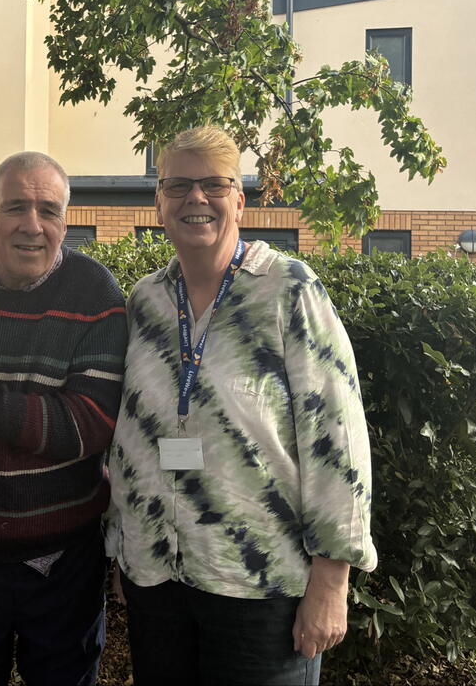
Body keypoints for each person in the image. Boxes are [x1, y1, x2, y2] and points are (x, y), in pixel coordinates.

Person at [106, 126, 377, 686]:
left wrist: (332, 579)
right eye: (178, 185)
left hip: (260, 586)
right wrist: (124, 546)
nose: (195, 199)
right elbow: (128, 432)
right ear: (158, 202)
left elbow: (338, 437)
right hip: (158, 581)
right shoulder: (146, 300)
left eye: (213, 184)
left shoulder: (287, 290)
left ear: (240, 200)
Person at [0, 151, 129, 686]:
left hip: (62, 561)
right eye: (15, 207)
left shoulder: (97, 296)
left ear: (65, 222)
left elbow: (87, 426)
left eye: (48, 210)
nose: (32, 225)